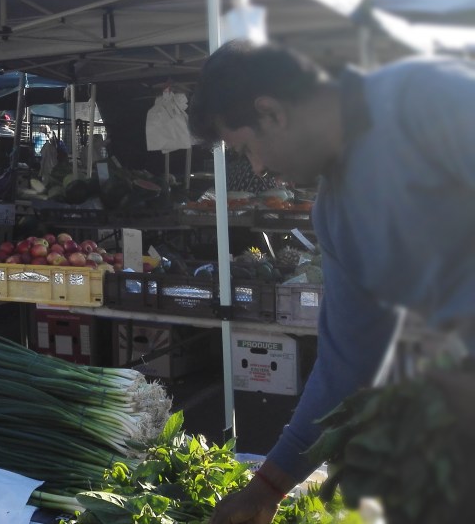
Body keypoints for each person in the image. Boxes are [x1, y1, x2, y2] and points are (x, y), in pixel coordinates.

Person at [187, 40, 475, 524]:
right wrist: (267, 488)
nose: (256, 168)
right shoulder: (335, 214)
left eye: (246, 149)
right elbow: (347, 365)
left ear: (271, 113)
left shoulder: (423, 98)